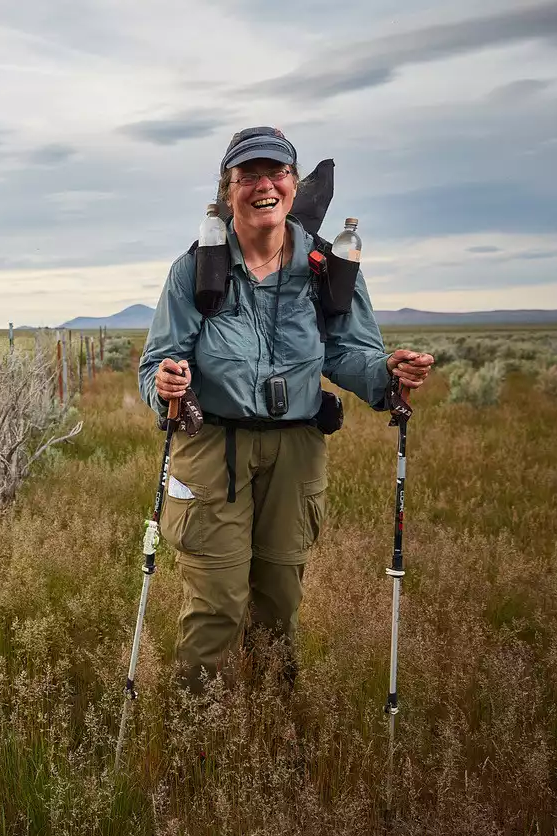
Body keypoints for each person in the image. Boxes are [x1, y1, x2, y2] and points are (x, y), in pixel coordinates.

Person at [137, 126, 434, 694]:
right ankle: (192, 744)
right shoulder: (197, 269)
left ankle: (272, 727)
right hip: (211, 448)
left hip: (296, 450)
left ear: (294, 186)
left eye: (276, 174)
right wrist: (166, 385)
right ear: (228, 191)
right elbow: (157, 362)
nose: (263, 186)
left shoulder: (327, 268)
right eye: (247, 176)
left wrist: (387, 375)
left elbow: (352, 353)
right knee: (216, 605)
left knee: (279, 601)